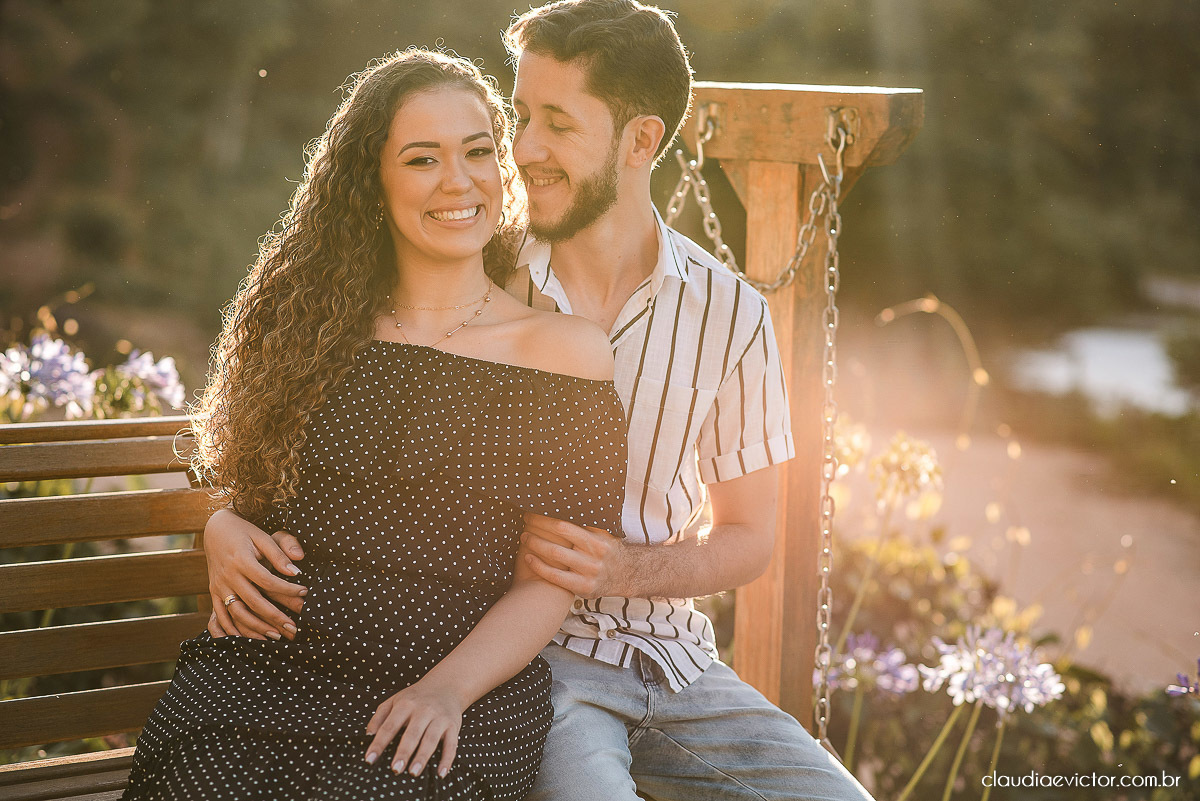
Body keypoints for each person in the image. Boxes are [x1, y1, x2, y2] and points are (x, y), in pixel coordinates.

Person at [204, 1, 876, 799]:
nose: (523, 150)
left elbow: (750, 538)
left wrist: (627, 565)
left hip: (676, 661)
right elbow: (298, 409)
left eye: (556, 123)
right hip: (533, 665)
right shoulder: (472, 257)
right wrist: (219, 516)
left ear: (641, 141)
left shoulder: (729, 311)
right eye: (520, 116)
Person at [122, 48, 627, 801]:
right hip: (268, 676)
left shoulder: (564, 353)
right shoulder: (309, 331)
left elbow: (546, 580)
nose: (459, 181)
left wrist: (446, 690)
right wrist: (220, 526)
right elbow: (247, 488)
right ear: (373, 182)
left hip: (454, 695)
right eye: (423, 159)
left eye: (478, 152)